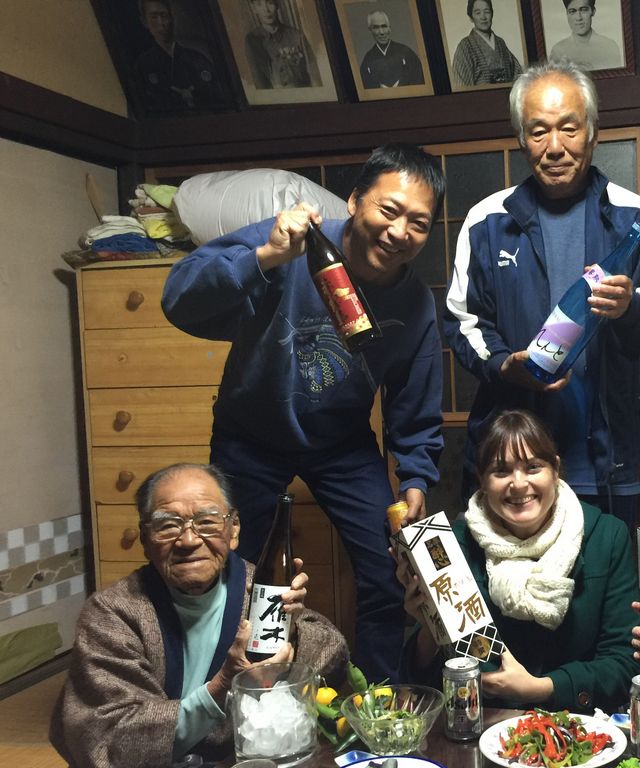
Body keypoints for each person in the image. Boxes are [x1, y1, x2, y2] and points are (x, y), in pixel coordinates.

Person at [161, 144, 446, 684]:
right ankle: (227, 691)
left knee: (389, 571)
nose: (398, 232)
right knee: (230, 569)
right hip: (249, 434)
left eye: (418, 223)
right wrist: (265, 256)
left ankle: (377, 696)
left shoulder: (414, 302)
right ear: (355, 200)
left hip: (342, 443)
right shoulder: (293, 241)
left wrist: (415, 477)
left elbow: (415, 400)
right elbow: (178, 297)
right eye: (388, 210)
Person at [445, 59, 640, 527]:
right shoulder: (487, 221)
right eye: (538, 131)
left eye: (569, 128)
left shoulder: (637, 219)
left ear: (593, 133)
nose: (554, 146)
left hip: (606, 462)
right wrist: (506, 366)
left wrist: (630, 308)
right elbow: (463, 322)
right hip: (511, 464)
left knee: (603, 571)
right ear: (521, 138)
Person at [49, 463, 346, 767]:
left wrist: (291, 631)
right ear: (145, 539)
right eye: (168, 525)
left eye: (206, 521)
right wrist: (224, 684)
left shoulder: (260, 594)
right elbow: (106, 736)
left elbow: (332, 657)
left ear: (234, 530)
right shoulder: (113, 612)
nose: (188, 541)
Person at [398, 409, 640, 712]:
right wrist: (430, 627)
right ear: (482, 481)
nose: (518, 483)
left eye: (533, 467)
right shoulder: (454, 547)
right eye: (501, 471)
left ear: (555, 469)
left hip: (583, 724)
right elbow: (422, 681)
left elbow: (622, 663)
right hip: (484, 723)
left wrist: (542, 688)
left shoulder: (606, 538)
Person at [133, 0, 227, 113]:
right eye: (154, 17)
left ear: (172, 18)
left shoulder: (198, 60)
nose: (161, 23)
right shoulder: (143, 65)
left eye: (164, 15)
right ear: (144, 22)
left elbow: (219, 99)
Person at [244, 0, 321, 89]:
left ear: (277, 4)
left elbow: (315, 77)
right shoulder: (252, 41)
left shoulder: (297, 36)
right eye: (259, 4)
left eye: (270, 3)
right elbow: (260, 84)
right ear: (254, 9)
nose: (266, 10)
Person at [451, 0, 523, 88]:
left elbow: (518, 74)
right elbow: (461, 86)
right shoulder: (465, 46)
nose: (483, 17)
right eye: (478, 13)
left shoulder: (500, 43)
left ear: (492, 14)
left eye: (487, 12)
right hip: (479, 96)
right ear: (471, 17)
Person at [548, 0, 622, 71]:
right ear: (567, 14)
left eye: (583, 10)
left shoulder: (609, 47)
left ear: (593, 11)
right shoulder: (558, 51)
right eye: (572, 11)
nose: (578, 18)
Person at [360, 10, 425, 89]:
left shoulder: (406, 52)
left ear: (389, 28)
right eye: (376, 27)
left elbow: (419, 80)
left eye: (384, 26)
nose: (381, 32)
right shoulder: (367, 60)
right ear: (370, 30)